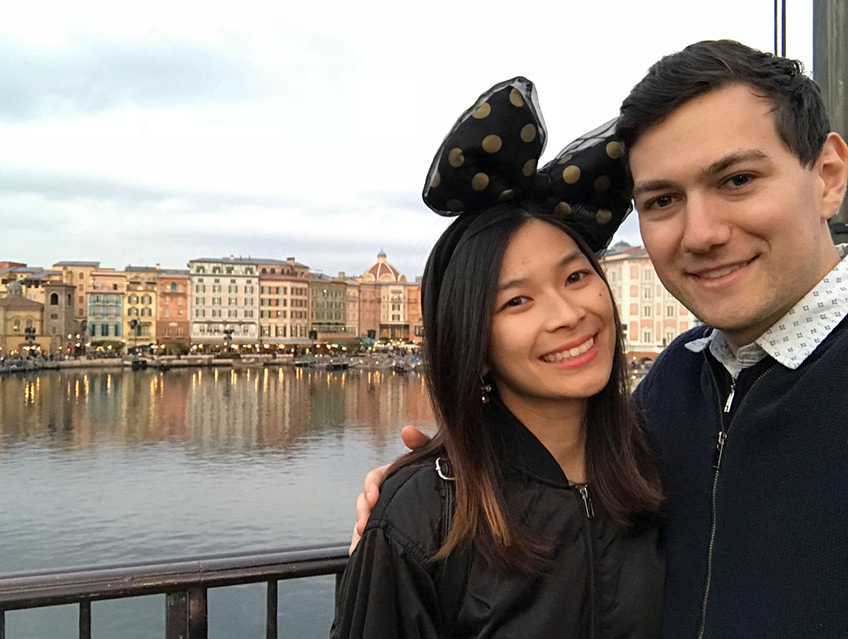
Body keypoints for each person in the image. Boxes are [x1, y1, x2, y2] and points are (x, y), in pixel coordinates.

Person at [354, 40, 848, 638]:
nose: (702, 233)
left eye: (737, 179)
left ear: (828, 176)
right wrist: (431, 487)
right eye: (663, 200)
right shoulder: (674, 387)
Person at [331, 77, 664, 638]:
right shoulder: (426, 516)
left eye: (577, 275)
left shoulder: (657, 463)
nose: (566, 314)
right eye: (517, 300)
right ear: (472, 343)